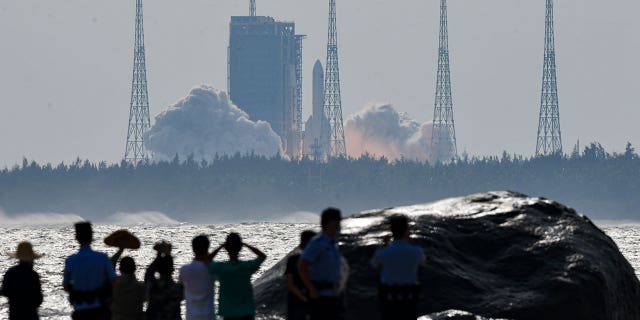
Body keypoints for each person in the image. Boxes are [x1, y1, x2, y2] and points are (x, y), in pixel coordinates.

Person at [371, 215, 426, 320]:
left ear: (391, 231)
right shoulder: (416, 251)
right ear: (407, 230)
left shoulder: (383, 252)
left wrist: (384, 244)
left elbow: (373, 264)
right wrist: (411, 242)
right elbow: (423, 262)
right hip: (409, 302)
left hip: (389, 302)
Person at [298, 208, 345, 320]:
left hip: (333, 295)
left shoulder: (333, 244)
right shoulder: (317, 243)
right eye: (338, 222)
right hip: (320, 296)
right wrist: (311, 288)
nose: (339, 226)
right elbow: (302, 265)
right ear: (331, 223)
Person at [63, 222, 117, 320]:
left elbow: (66, 286)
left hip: (80, 310)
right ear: (92, 237)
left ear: (76, 238)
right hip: (100, 310)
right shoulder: (102, 258)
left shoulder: (70, 260)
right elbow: (113, 281)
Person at [209, 232, 267, 320]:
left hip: (228, 312)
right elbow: (262, 256)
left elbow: (207, 260)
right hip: (246, 312)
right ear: (240, 248)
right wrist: (245, 245)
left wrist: (221, 246)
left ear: (227, 248)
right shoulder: (246, 267)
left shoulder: (221, 268)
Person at [1, 241, 44, 320]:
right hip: (31, 315)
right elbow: (39, 299)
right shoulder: (33, 275)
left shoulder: (10, 273)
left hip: (15, 315)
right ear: (31, 259)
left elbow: (4, 291)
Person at [179, 235, 216, 320]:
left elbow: (180, 292)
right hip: (209, 316)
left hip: (192, 316)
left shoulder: (184, 270)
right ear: (207, 248)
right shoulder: (212, 269)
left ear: (193, 248)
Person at [284, 230, 316, 320]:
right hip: (310, 301)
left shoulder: (293, 259)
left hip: (296, 301)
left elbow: (290, 285)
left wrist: (304, 298)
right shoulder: (318, 261)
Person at [146, 256, 183, 320]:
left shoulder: (153, 287)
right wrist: (168, 254)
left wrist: (158, 255)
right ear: (172, 269)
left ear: (158, 270)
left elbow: (149, 273)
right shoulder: (178, 288)